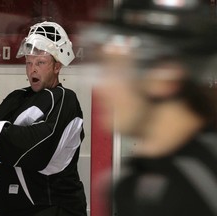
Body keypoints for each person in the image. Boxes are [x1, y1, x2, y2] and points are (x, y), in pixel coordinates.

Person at [82, 0, 217, 215]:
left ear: (164, 77)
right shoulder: (128, 183)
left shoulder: (205, 184)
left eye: (117, 70)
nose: (103, 88)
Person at [0, 21, 87, 216]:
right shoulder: (16, 98)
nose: (32, 69)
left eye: (40, 62)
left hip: (53, 209)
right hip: (11, 209)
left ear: (57, 66)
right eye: (29, 62)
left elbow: (36, 151)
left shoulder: (64, 100)